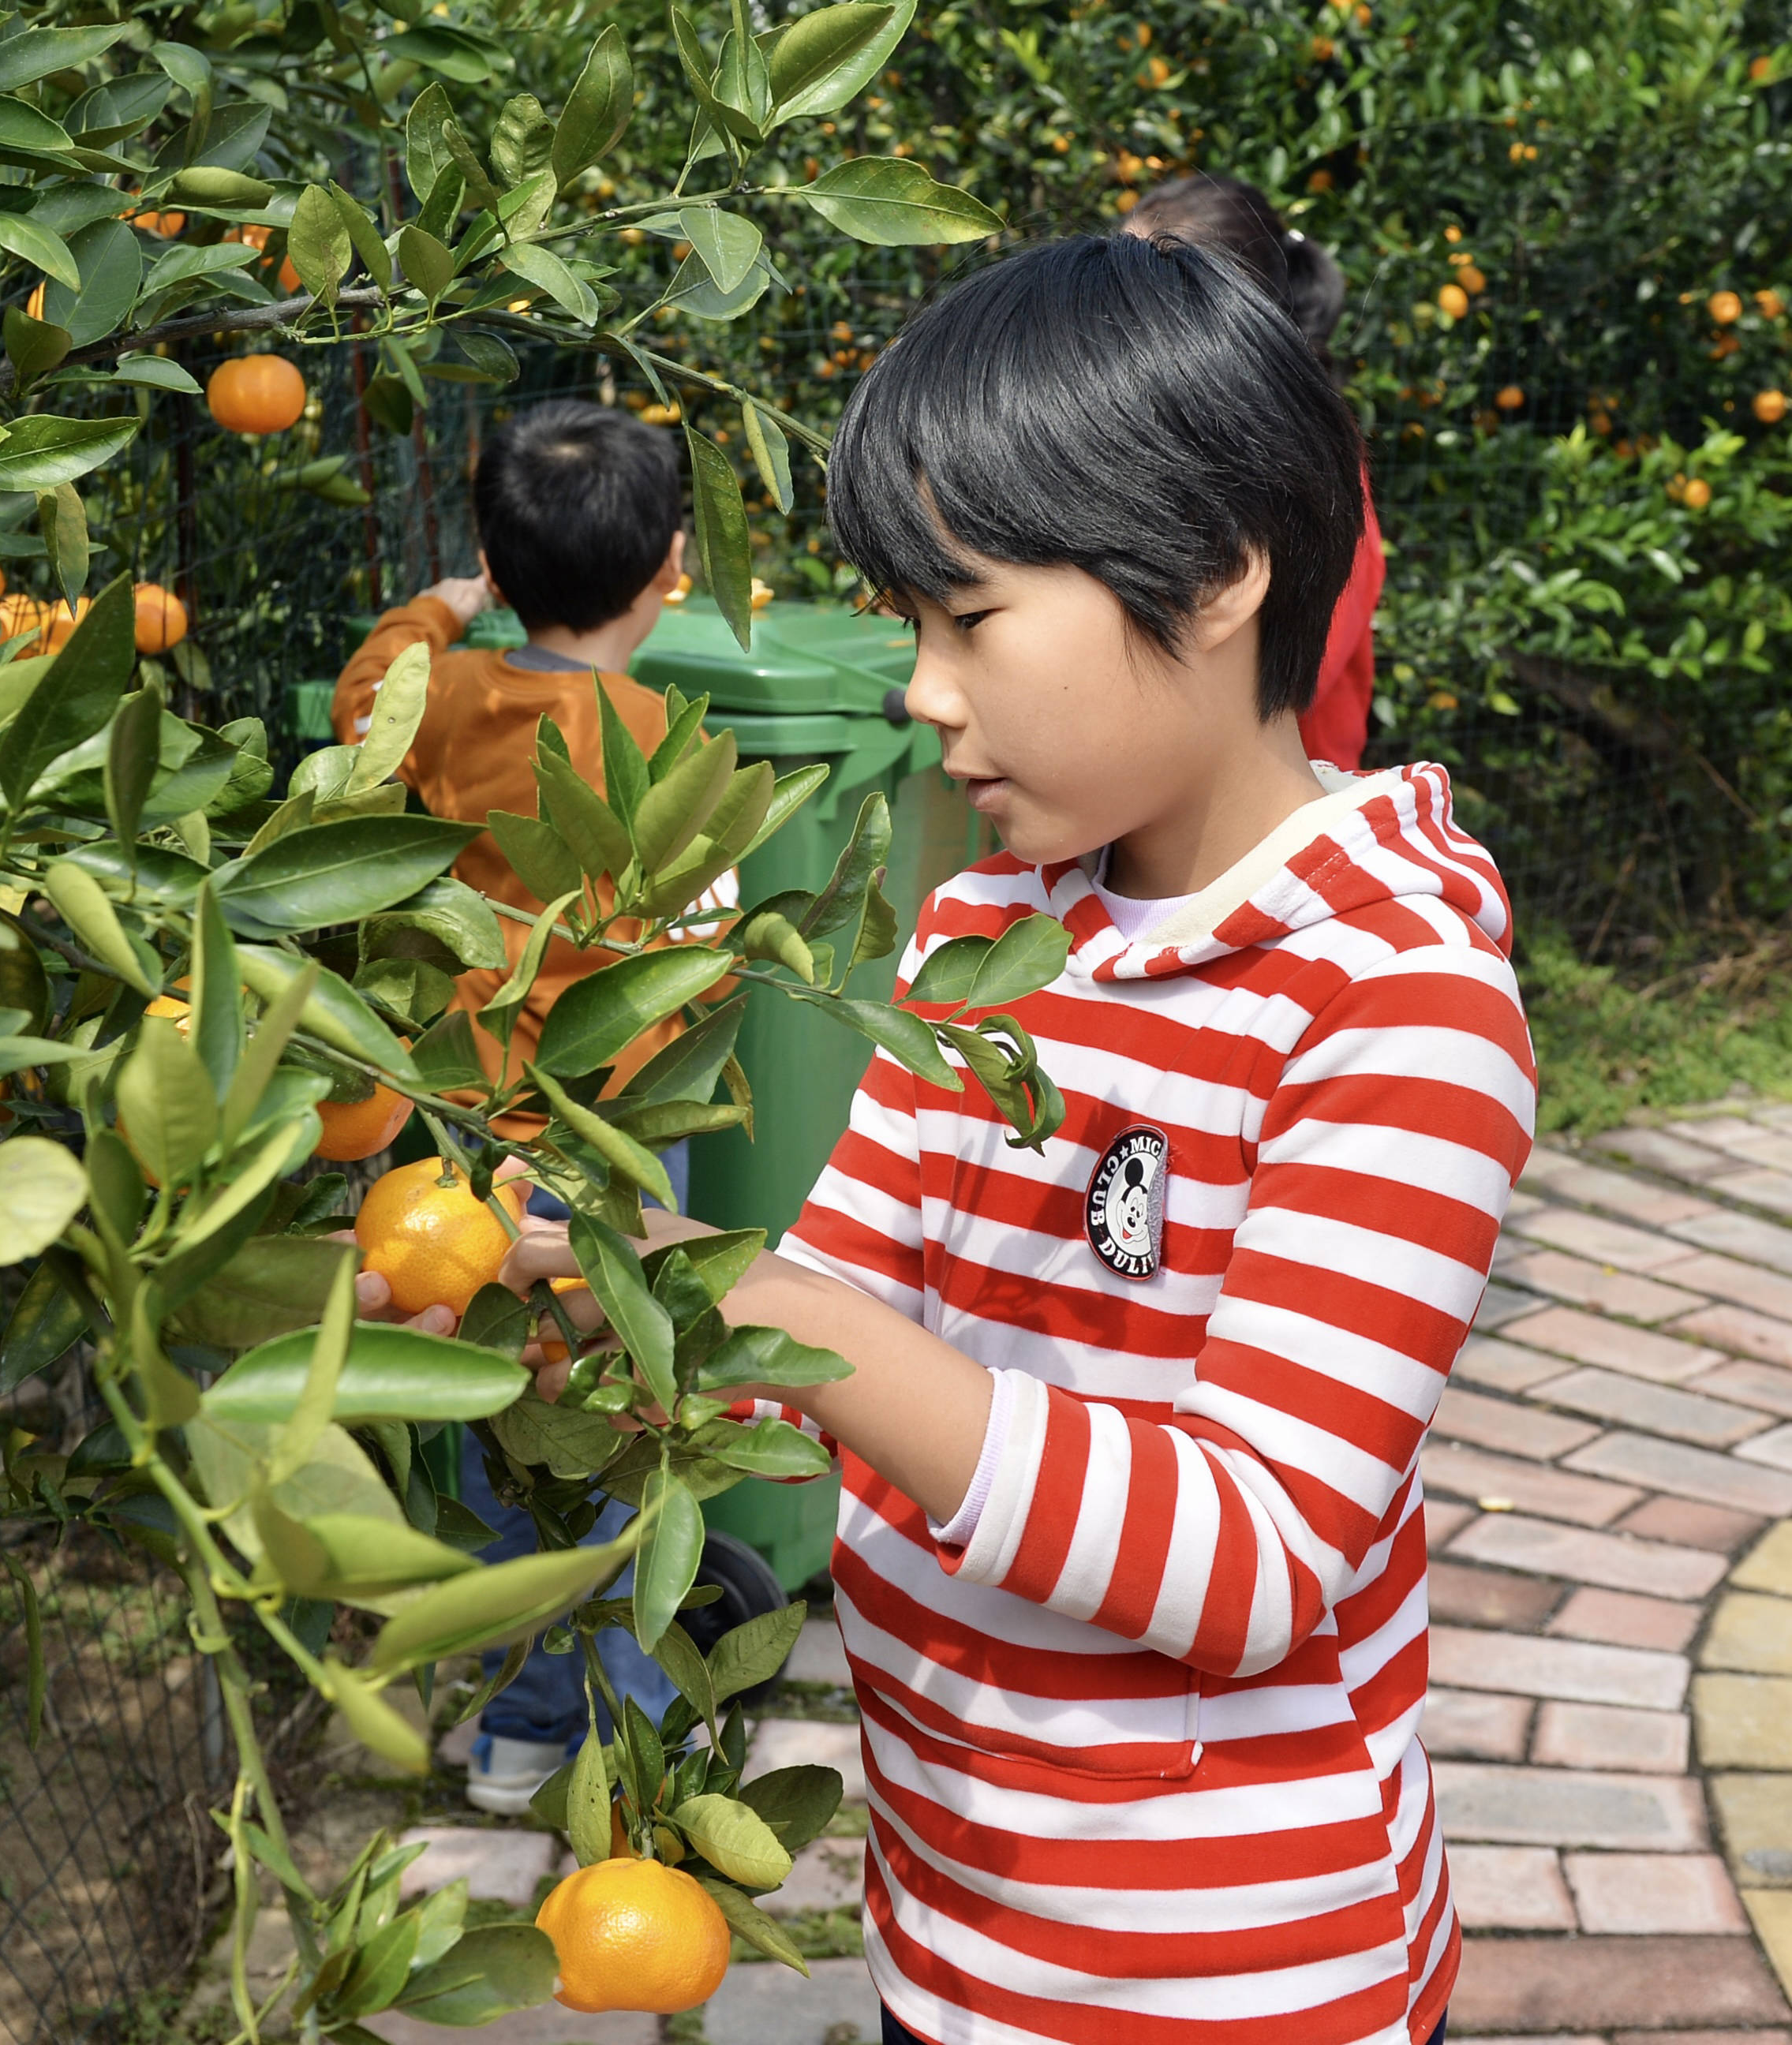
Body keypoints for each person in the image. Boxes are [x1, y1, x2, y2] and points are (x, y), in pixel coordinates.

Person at [376, 235, 1529, 2043]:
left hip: (1236, 1971)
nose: (917, 692)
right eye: (906, 628)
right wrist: (601, 1310)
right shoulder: (986, 929)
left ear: (1214, 574)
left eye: (966, 620)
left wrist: (743, 1292)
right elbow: (830, 1291)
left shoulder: (1390, 1011)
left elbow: (1237, 1561)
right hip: (949, 1929)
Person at [331, 398, 697, 1813]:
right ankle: (626, 1729)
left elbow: (368, 696)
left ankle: (515, 1731)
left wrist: (436, 605)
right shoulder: (659, 736)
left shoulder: (453, 697)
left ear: (492, 547)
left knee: (496, 1415)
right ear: (670, 563)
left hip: (462, 1144)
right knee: (627, 1424)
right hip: (607, 1140)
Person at [1123, 173, 1383, 772]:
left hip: (1287, 815)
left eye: (1147, 296)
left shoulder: (1322, 475)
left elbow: (1302, 677)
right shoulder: (1164, 447)